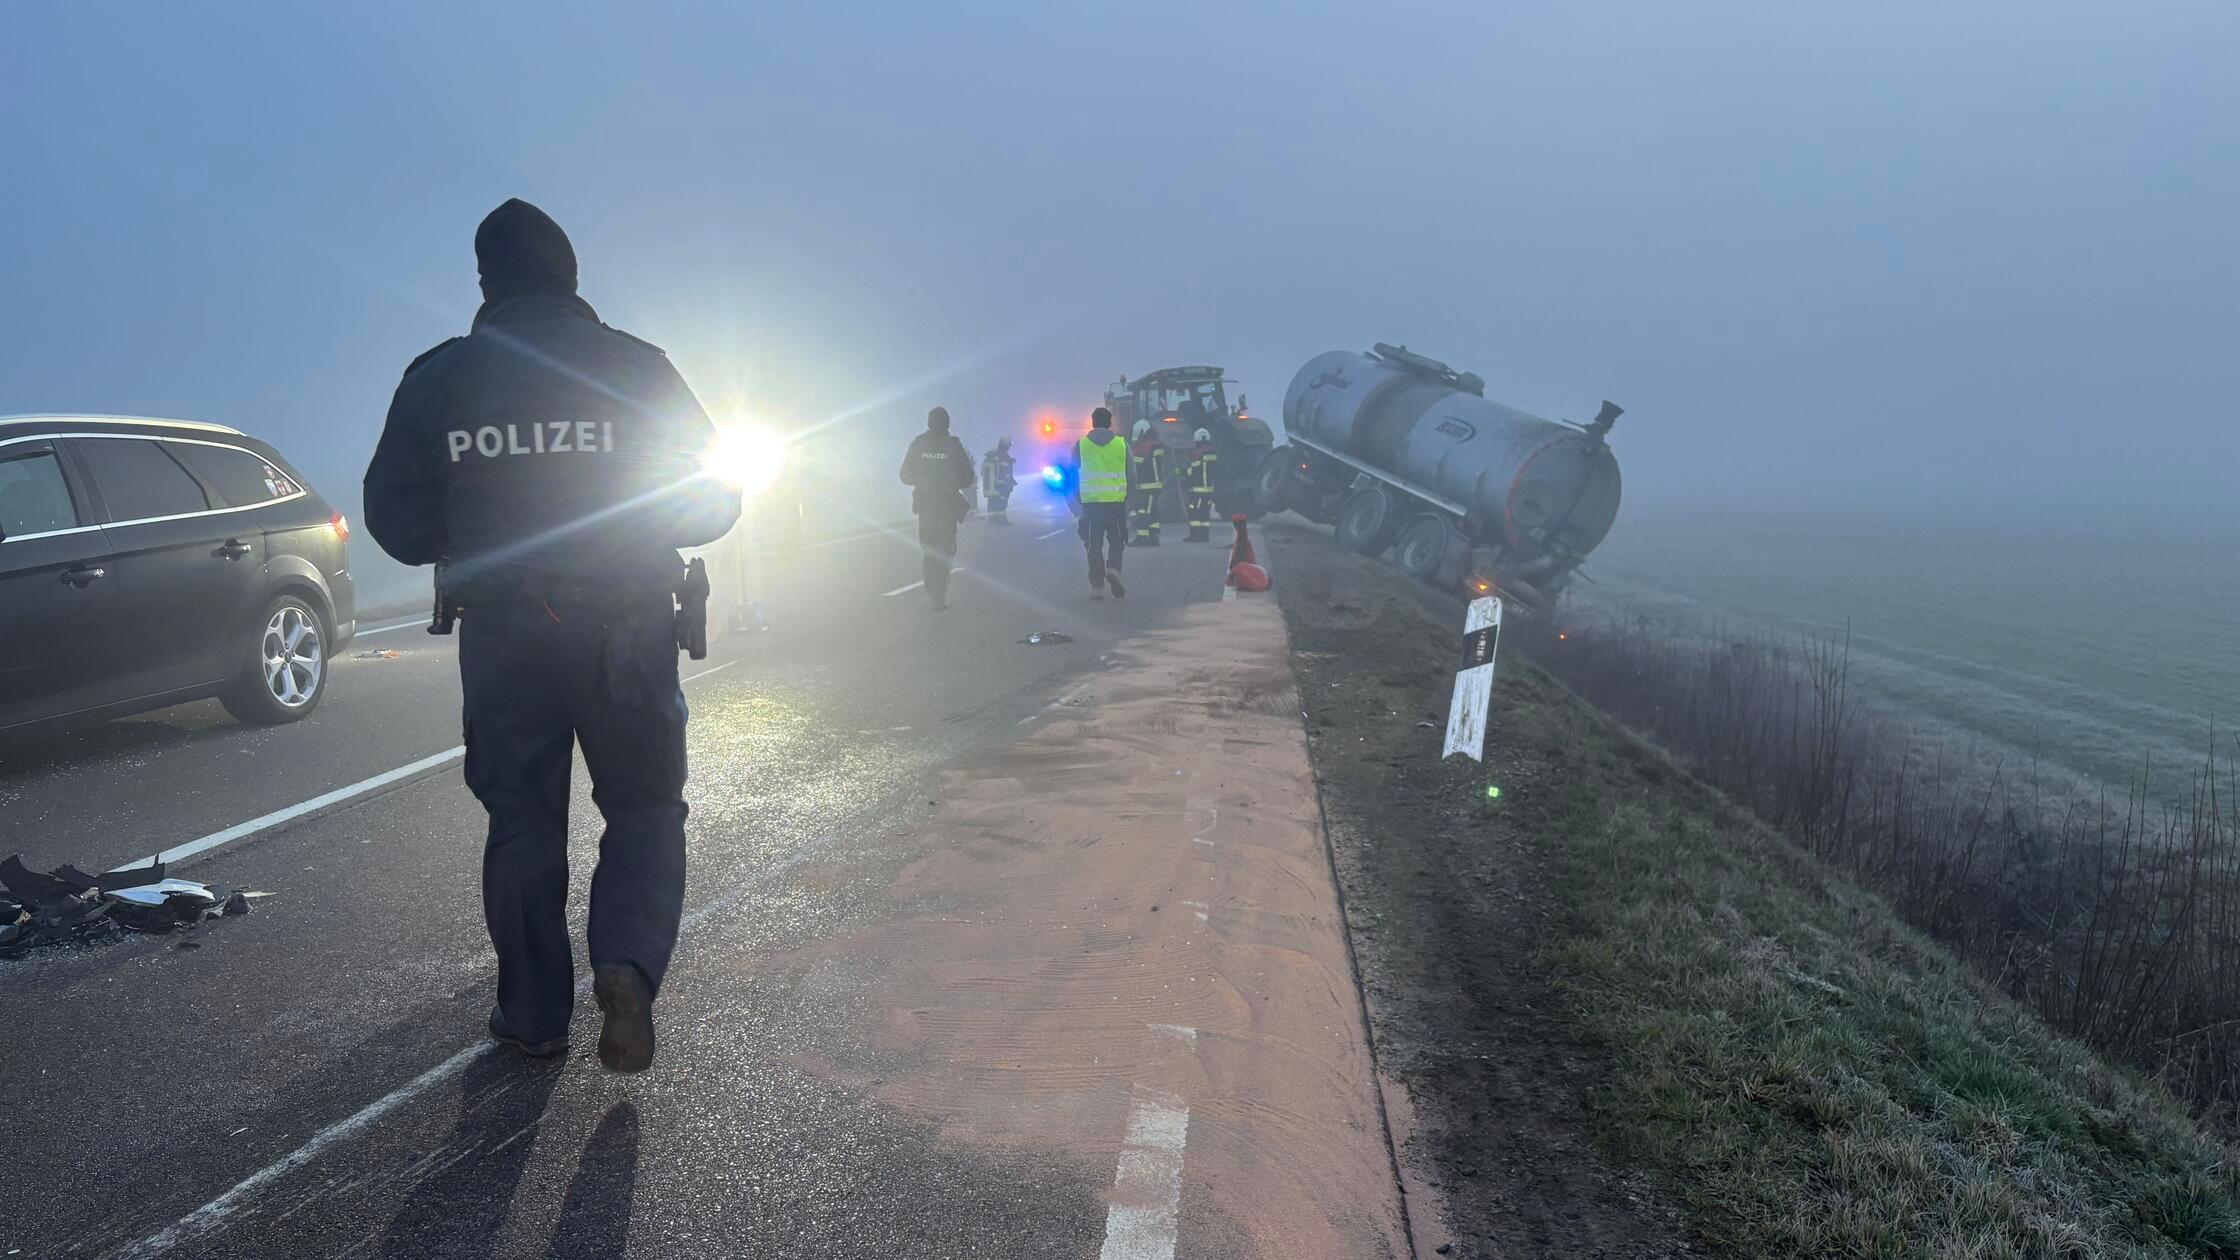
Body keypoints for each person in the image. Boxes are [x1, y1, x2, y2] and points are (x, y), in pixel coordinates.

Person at [361, 198, 741, 1073]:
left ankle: (533, 1016)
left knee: (522, 818)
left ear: (487, 282)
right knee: (644, 806)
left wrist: (477, 529)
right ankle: (626, 963)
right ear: (571, 277)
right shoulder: (637, 366)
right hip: (626, 624)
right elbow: (712, 502)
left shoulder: (441, 376)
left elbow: (397, 522)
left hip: (503, 631)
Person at [898, 405, 974, 610]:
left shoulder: (918, 444)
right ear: (947, 423)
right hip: (946, 508)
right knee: (943, 551)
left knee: (929, 551)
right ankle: (939, 594)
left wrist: (922, 480)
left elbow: (904, 475)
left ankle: (933, 593)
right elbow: (968, 477)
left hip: (926, 507)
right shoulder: (953, 446)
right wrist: (951, 482)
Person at [1065, 407, 1133, 599]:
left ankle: (1096, 586)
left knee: (1093, 546)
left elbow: (1070, 477)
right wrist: (1129, 504)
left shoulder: (1081, 446)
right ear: (1109, 423)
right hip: (1116, 506)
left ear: (1093, 423)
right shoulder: (1121, 444)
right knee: (1117, 541)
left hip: (1091, 507)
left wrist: (1075, 507)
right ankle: (1113, 568)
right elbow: (1132, 475)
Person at [1128, 418, 1168, 546]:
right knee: (1153, 511)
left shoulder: (1145, 446)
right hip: (1154, 486)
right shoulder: (1156, 445)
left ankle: (1142, 537)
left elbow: (1137, 464)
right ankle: (1153, 536)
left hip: (1146, 486)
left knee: (1143, 511)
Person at [1182, 427, 1219, 542]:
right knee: (1204, 511)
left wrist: (1182, 471)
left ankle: (1195, 535)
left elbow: (1193, 471)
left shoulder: (1197, 453)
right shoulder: (1213, 452)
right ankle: (1204, 535)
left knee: (1193, 511)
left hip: (1197, 489)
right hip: (1209, 489)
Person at [979, 436, 1017, 525]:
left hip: (993, 486)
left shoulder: (994, 456)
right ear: (1005, 445)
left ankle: (993, 519)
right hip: (1001, 486)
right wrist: (1009, 482)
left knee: (993, 502)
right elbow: (1004, 472)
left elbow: (983, 472)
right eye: (1008, 445)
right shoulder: (1002, 456)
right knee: (1001, 503)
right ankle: (1001, 520)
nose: (1009, 447)